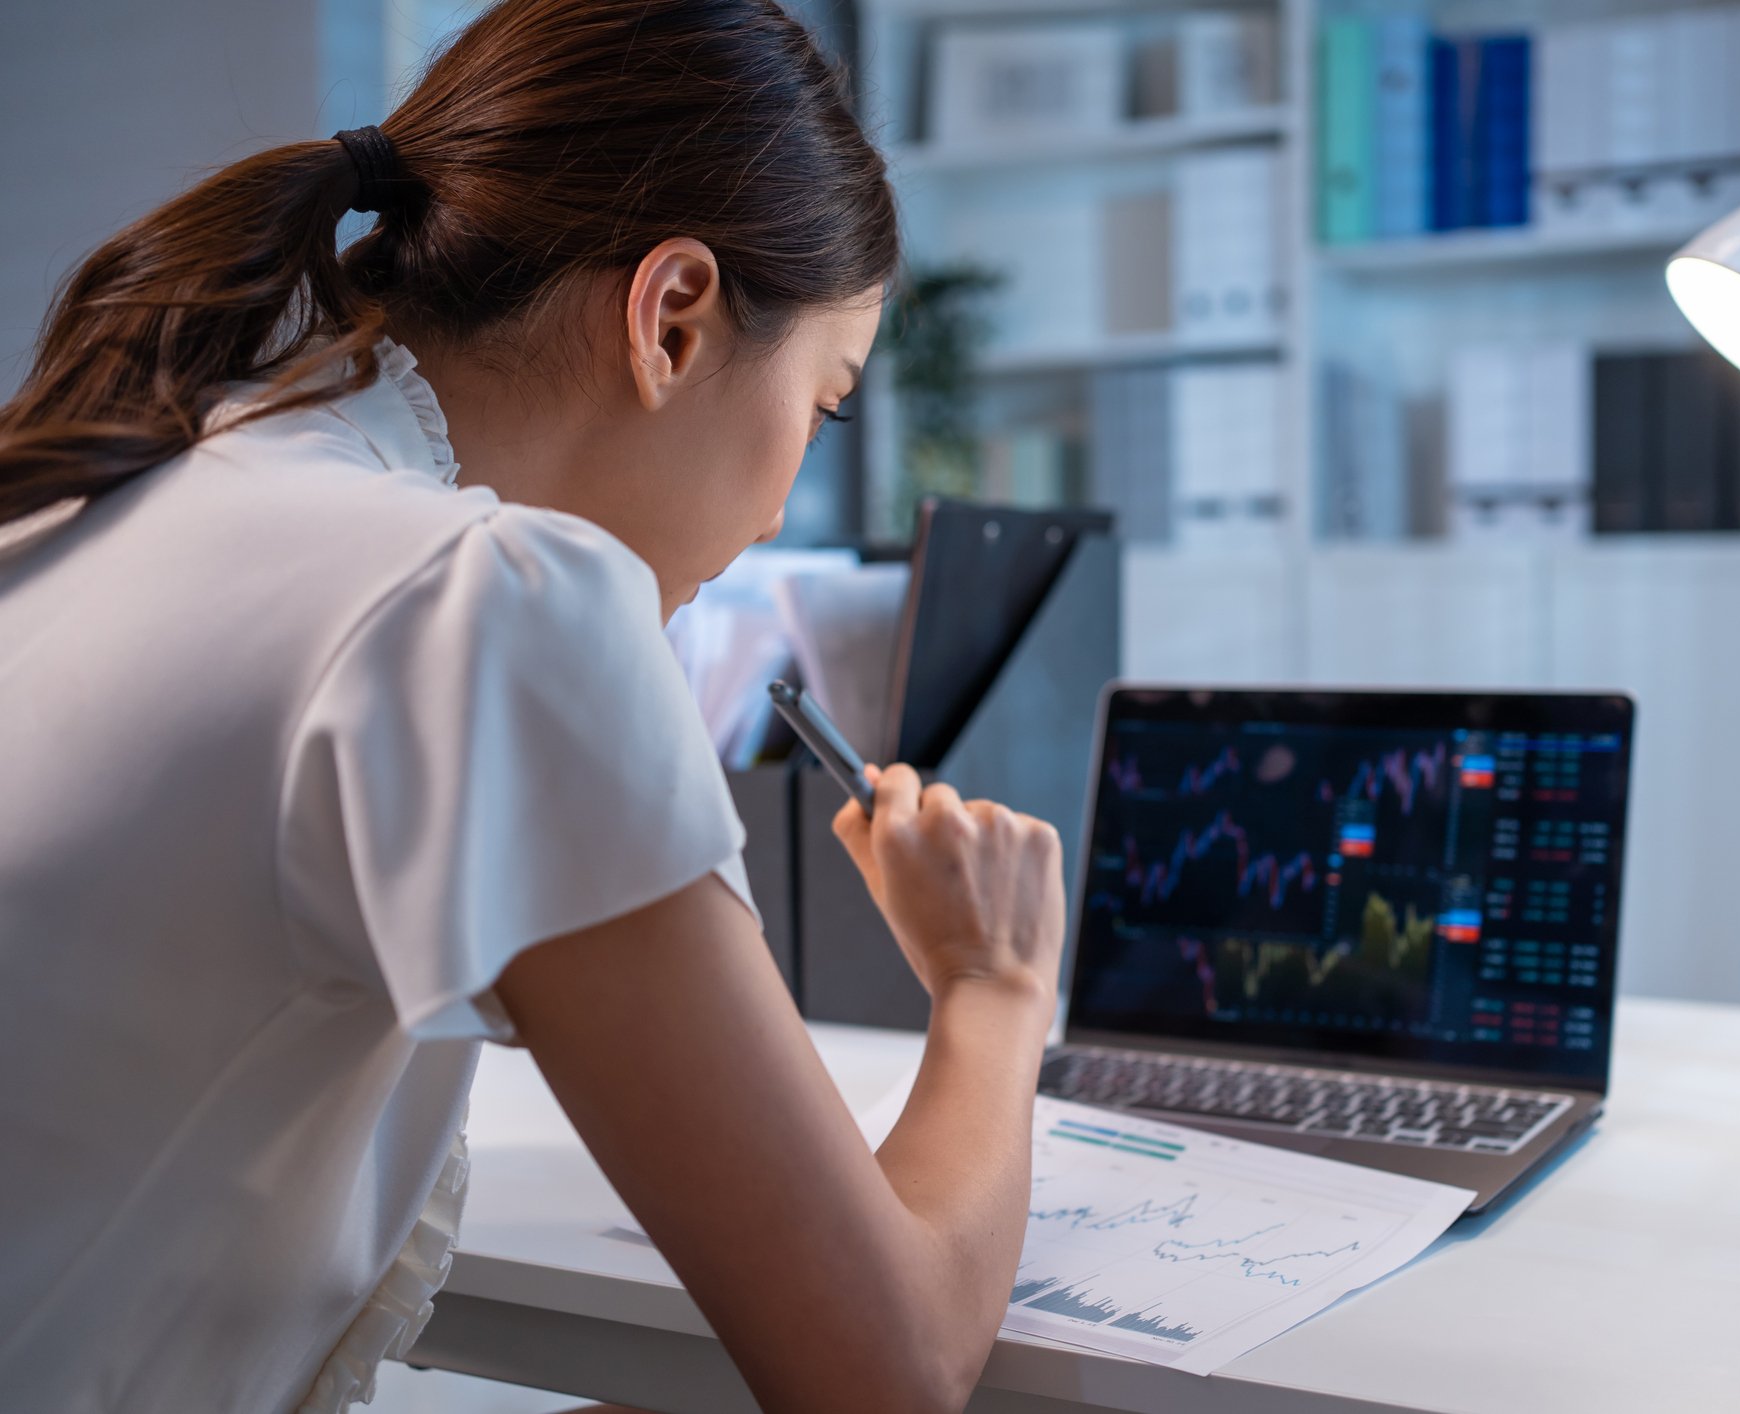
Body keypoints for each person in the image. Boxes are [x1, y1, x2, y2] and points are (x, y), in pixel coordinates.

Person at [0, 2, 1068, 1411]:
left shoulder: (105, 479)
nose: (776, 514)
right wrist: (995, 985)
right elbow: (888, 1365)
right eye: (821, 407)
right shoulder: (487, 595)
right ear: (672, 317)